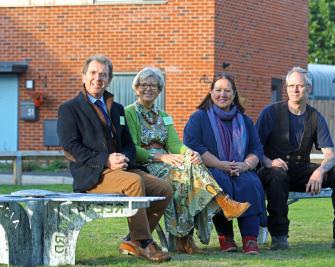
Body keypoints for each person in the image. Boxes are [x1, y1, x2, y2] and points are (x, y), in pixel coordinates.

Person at [57, 55, 173, 263]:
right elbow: (70, 148)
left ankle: (133, 240)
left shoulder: (117, 108)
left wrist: (124, 158)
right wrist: (106, 160)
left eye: (103, 74)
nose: (97, 78)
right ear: (84, 76)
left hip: (122, 170)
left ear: (109, 79)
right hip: (94, 175)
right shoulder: (69, 108)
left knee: (164, 190)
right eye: (93, 73)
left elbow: (128, 144)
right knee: (134, 182)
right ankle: (145, 243)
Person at [124, 67, 250, 254]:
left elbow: (175, 144)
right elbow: (132, 147)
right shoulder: (130, 112)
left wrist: (190, 153)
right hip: (146, 164)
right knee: (185, 179)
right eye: (144, 85)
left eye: (153, 85)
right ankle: (221, 202)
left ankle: (184, 240)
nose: (148, 88)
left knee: (190, 170)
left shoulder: (164, 116)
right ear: (136, 88)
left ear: (160, 90)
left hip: (170, 162)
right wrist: (161, 156)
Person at [255, 66, 335, 251]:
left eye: (299, 86)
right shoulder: (271, 113)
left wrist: (320, 170)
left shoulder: (315, 117)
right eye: (291, 86)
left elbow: (331, 156)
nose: (295, 90)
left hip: (300, 170)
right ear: (286, 88)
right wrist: (269, 162)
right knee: (277, 175)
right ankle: (279, 237)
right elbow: (254, 148)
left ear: (308, 88)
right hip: (271, 171)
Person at [183, 73, 266, 255]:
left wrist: (245, 165)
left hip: (241, 170)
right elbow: (192, 144)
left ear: (234, 93)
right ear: (211, 92)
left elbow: (256, 148)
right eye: (218, 90)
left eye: (227, 90)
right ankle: (226, 237)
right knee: (220, 182)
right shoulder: (199, 117)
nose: (223, 94)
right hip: (212, 169)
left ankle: (250, 239)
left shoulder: (245, 121)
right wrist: (220, 164)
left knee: (250, 183)